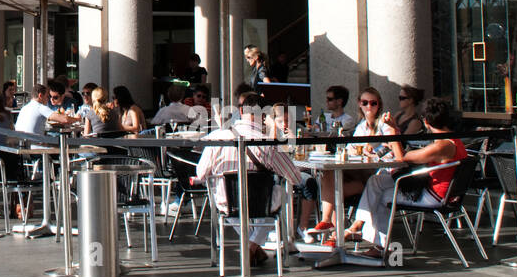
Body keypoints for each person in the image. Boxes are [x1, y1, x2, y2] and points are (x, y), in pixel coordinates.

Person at [340, 97, 468, 258]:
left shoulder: (442, 146)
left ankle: (380, 246)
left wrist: (393, 133)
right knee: (377, 180)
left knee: (385, 196)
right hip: (438, 190)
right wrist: (395, 130)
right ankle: (358, 224)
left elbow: (403, 158)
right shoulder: (452, 140)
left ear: (426, 121)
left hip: (435, 195)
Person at [196, 90, 305, 266]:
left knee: (231, 202)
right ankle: (252, 246)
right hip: (261, 203)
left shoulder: (217, 137)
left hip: (227, 202)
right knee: (276, 198)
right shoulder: (267, 143)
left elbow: (201, 174)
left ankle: (252, 247)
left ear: (241, 112)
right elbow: (295, 177)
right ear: (263, 117)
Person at [305, 88, 397, 243]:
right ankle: (330, 226)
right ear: (359, 104)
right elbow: (350, 150)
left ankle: (334, 232)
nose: (369, 106)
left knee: (334, 188)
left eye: (373, 103)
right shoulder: (362, 126)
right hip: (359, 174)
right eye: (365, 103)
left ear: (379, 104)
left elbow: (392, 150)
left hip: (376, 176)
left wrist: (374, 153)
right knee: (330, 176)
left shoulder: (384, 124)